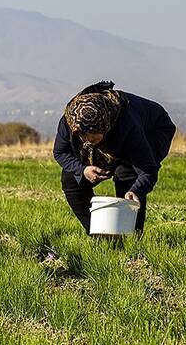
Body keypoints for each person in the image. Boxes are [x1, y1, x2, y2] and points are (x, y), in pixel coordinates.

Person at [53, 81, 176, 234]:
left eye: (93, 138)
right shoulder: (70, 121)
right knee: (71, 179)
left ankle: (131, 236)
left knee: (127, 174)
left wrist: (136, 191)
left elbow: (147, 170)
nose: (87, 141)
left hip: (153, 129)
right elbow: (60, 152)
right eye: (83, 137)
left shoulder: (128, 127)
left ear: (105, 127)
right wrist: (83, 169)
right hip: (115, 135)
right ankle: (98, 233)